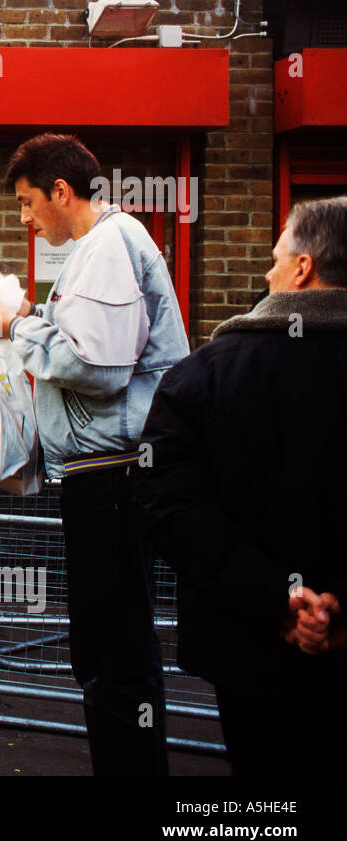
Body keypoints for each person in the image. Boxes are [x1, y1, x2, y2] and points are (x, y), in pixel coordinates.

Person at [0, 133, 188, 776]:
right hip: (106, 475)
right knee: (108, 647)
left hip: (112, 477)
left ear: (61, 191)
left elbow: (94, 363)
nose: (25, 218)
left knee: (112, 654)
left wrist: (15, 325)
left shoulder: (109, 244)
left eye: (28, 202)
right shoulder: (106, 247)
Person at [136, 196, 347, 774]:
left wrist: (276, 597)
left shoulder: (205, 375)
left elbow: (168, 504)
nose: (267, 272)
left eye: (277, 257)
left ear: (303, 268)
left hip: (249, 649)